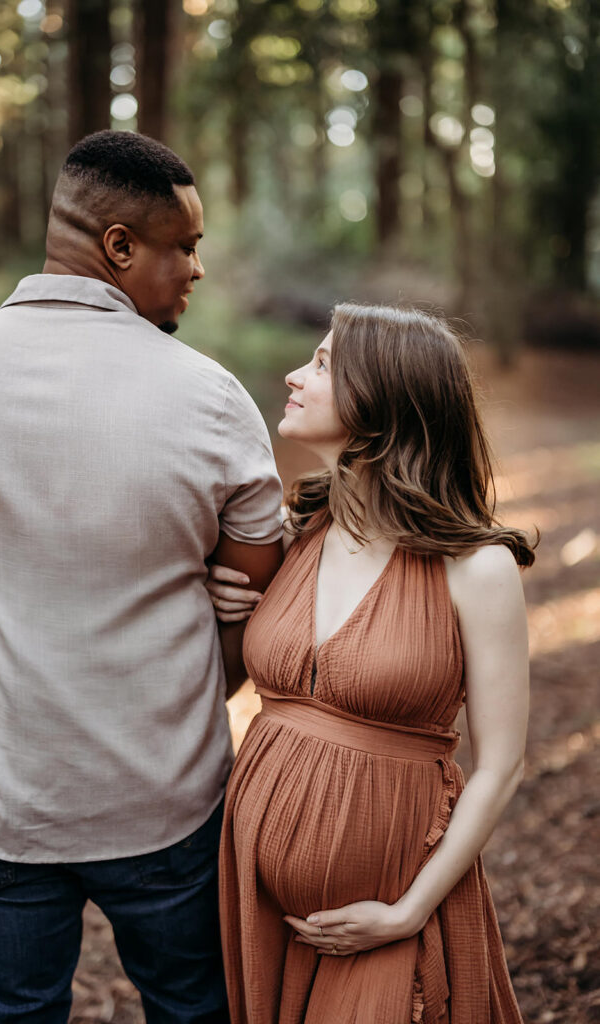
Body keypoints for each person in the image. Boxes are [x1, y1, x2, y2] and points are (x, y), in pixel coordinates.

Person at [0, 130, 284, 1023]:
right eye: (185, 247)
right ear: (119, 247)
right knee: (195, 1009)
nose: (195, 270)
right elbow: (255, 608)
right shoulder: (209, 397)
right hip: (167, 801)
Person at [206, 304, 534, 1023]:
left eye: (322, 364)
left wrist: (408, 911)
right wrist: (226, 600)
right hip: (259, 908)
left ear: (383, 397)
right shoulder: (296, 537)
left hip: (389, 908)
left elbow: (502, 762)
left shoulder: (475, 568)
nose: (295, 374)